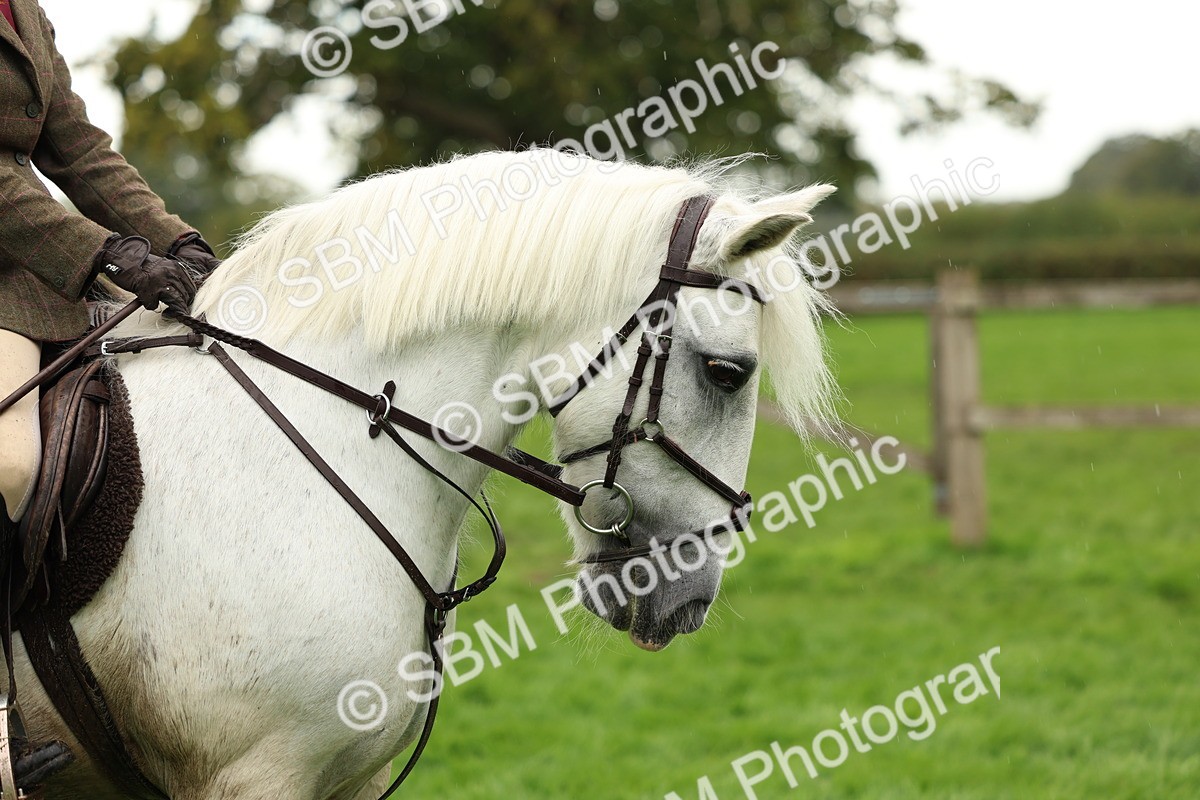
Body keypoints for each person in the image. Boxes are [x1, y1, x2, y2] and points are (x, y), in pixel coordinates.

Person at [0, 0, 221, 790]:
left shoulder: (24, 11)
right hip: (25, 271)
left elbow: (77, 148)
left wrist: (172, 239)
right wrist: (110, 254)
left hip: (32, 275)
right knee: (10, 464)